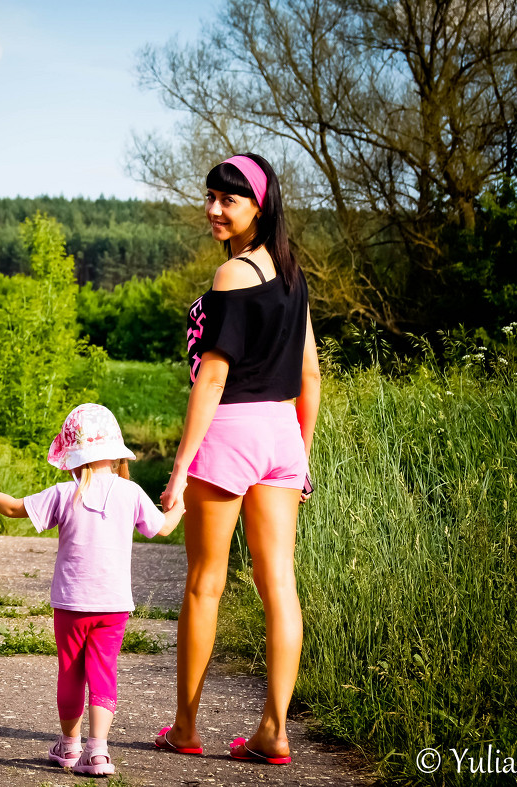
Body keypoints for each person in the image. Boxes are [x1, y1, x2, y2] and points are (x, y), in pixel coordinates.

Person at [155, 153, 320, 765]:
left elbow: (212, 379)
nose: (213, 210)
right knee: (280, 585)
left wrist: (178, 469)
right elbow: (310, 374)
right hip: (282, 432)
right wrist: (301, 451)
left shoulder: (233, 277)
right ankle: (274, 732)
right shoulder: (293, 274)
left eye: (228, 200)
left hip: (230, 431)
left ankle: (186, 728)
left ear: (260, 205)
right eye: (210, 197)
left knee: (205, 585)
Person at [0, 403, 185, 776]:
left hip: (71, 603)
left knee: (70, 672)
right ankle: (98, 752)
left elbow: (11, 509)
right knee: (104, 671)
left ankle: (69, 746)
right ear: (116, 454)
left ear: (71, 456)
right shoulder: (131, 492)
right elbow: (163, 528)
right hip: (113, 605)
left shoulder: (62, 492)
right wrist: (179, 505)